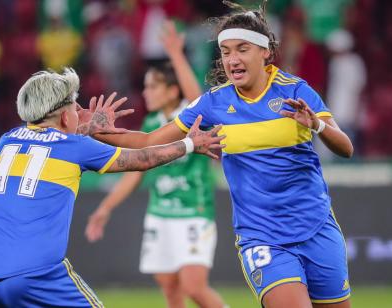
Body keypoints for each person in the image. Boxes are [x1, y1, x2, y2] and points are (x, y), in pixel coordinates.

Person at [88, 2, 355, 307]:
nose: (232, 59)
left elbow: (345, 147)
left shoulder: (295, 91)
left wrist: (317, 125)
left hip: (318, 228)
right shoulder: (214, 103)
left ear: (264, 52)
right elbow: (149, 139)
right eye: (226, 51)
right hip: (264, 238)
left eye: (242, 49)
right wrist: (98, 131)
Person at [0, 68, 224, 308]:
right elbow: (143, 160)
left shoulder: (5, 140)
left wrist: (84, 130)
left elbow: (48, 146)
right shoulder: (74, 147)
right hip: (32, 274)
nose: (80, 112)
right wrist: (190, 144)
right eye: (75, 107)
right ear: (62, 116)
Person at [85, 21, 226, 308]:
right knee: (170, 289)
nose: (146, 92)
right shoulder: (150, 125)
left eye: (153, 86)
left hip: (193, 211)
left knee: (194, 287)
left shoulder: (190, 117)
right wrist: (105, 208)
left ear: (172, 91)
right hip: (160, 214)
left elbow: (196, 98)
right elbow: (134, 171)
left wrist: (175, 54)